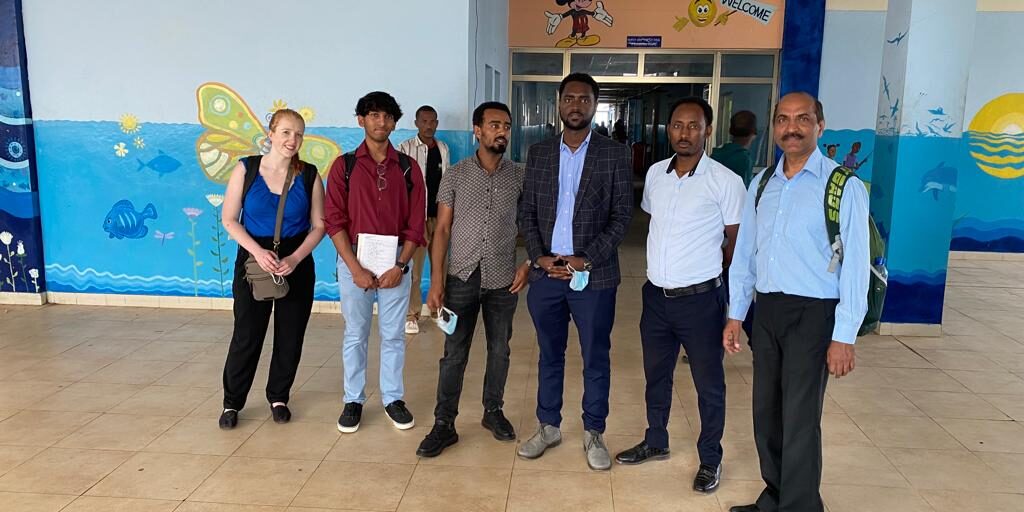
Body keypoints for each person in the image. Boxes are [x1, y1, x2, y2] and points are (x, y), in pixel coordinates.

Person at [724, 92, 869, 512]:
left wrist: (844, 335)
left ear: (819, 126)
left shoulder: (842, 185)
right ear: (774, 128)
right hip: (768, 310)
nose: (792, 128)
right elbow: (746, 253)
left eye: (803, 119)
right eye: (784, 119)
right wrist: (736, 313)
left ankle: (800, 506)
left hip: (814, 313)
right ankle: (775, 496)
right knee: (766, 412)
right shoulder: (763, 183)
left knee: (800, 418)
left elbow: (855, 266)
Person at [615, 97, 744, 495]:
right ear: (668, 129)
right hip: (656, 297)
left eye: (693, 126)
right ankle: (656, 439)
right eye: (677, 125)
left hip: (701, 302)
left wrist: (716, 280)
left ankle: (710, 458)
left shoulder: (725, 181)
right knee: (656, 375)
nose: (684, 133)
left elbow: (735, 244)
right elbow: (657, 224)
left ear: (708, 130)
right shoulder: (656, 174)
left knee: (709, 384)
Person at [517, 73, 633, 471]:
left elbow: (622, 216)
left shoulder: (614, 154)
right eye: (570, 98)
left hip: (593, 278)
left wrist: (585, 259)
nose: (576, 105)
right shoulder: (539, 153)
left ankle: (594, 431)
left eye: (584, 99)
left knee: (595, 356)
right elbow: (527, 211)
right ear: (559, 103)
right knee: (549, 354)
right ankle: (548, 426)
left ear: (594, 105)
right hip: (547, 275)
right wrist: (538, 257)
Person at [416, 102, 531, 457]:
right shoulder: (456, 175)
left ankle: (492, 411)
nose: (502, 131)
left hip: (503, 279)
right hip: (461, 277)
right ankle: (444, 423)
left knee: (500, 351)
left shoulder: (519, 175)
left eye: (506, 126)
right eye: (494, 125)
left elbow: (534, 223)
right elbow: (442, 230)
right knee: (454, 354)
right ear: (477, 131)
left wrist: (528, 263)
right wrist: (437, 282)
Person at [324, 91, 427, 434]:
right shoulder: (344, 167)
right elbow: (334, 220)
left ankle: (393, 398)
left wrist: (401, 265)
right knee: (355, 334)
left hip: (396, 260)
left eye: (387, 116)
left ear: (395, 123)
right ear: (361, 120)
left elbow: (416, 223)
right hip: (354, 261)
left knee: (394, 335)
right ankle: (353, 400)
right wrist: (355, 268)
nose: (381, 122)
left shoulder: (409, 168)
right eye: (373, 115)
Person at [218, 108, 325, 429]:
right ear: (271, 134)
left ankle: (279, 396)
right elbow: (229, 219)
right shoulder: (247, 169)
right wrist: (258, 252)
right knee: (247, 333)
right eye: (286, 132)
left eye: (299, 134)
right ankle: (232, 402)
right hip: (254, 261)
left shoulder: (309, 175)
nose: (293, 140)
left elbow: (319, 225)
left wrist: (295, 258)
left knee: (290, 335)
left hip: (296, 261)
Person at [397, 106, 451, 335]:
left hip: (439, 218)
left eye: (433, 121)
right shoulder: (404, 149)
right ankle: (411, 315)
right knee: (414, 271)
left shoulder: (443, 148)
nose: (429, 126)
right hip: (416, 219)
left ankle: (440, 311)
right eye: (424, 121)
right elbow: (400, 186)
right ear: (416, 123)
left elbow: (447, 182)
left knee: (441, 267)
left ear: (437, 123)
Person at [711, 110, 757, 186]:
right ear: (753, 134)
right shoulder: (744, 159)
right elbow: (743, 190)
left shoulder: (716, 154)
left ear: (730, 131)